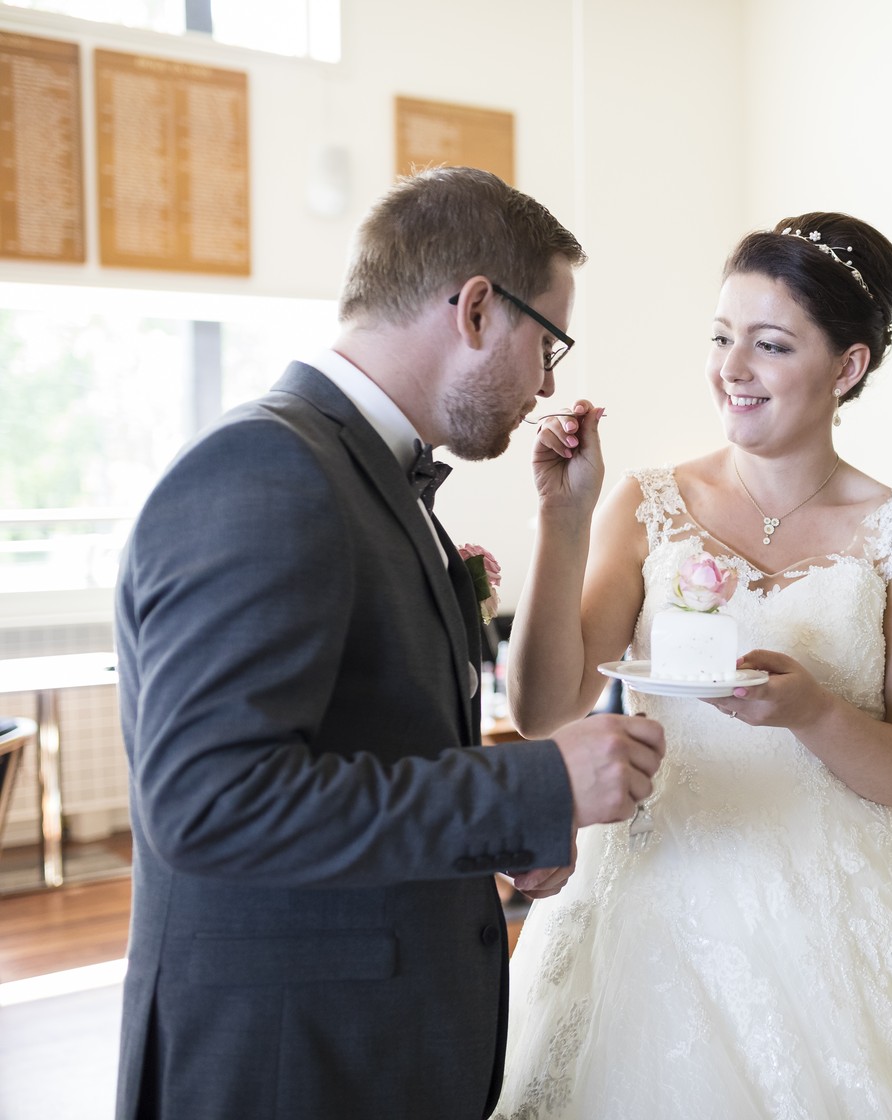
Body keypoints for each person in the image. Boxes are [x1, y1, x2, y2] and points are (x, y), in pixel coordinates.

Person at [113, 167, 666, 1120]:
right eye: (548, 344)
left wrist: (508, 832)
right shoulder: (266, 468)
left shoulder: (358, 469)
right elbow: (210, 802)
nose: (546, 383)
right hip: (284, 1066)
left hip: (365, 1043)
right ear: (478, 310)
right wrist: (537, 786)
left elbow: (373, 745)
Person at [495, 212, 892, 1117]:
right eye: (722, 337)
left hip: (830, 922)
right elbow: (543, 708)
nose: (732, 368)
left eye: (771, 344)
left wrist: (816, 714)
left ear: (848, 366)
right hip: (648, 904)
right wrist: (563, 521)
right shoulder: (647, 503)